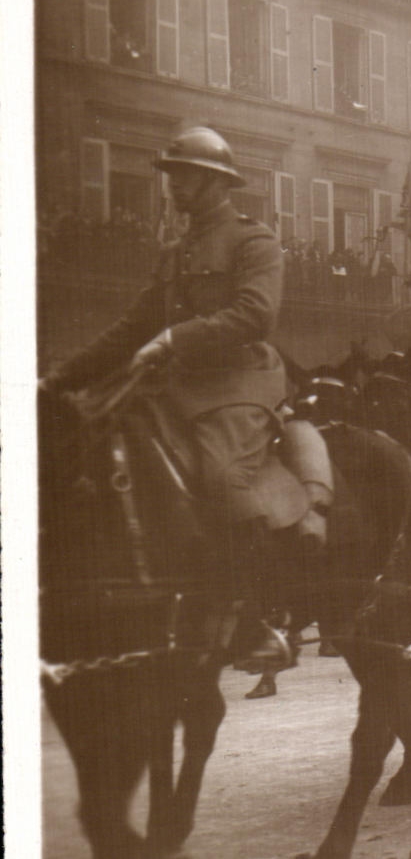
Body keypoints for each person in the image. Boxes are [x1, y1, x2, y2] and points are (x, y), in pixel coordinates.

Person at [40, 125, 295, 665]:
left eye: (188, 176)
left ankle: (254, 619)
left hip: (239, 382)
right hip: (179, 386)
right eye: (172, 176)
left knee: (224, 477)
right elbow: (131, 328)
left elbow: (256, 314)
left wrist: (176, 337)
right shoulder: (175, 252)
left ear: (218, 184)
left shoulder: (255, 241)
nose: (175, 186)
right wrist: (57, 381)